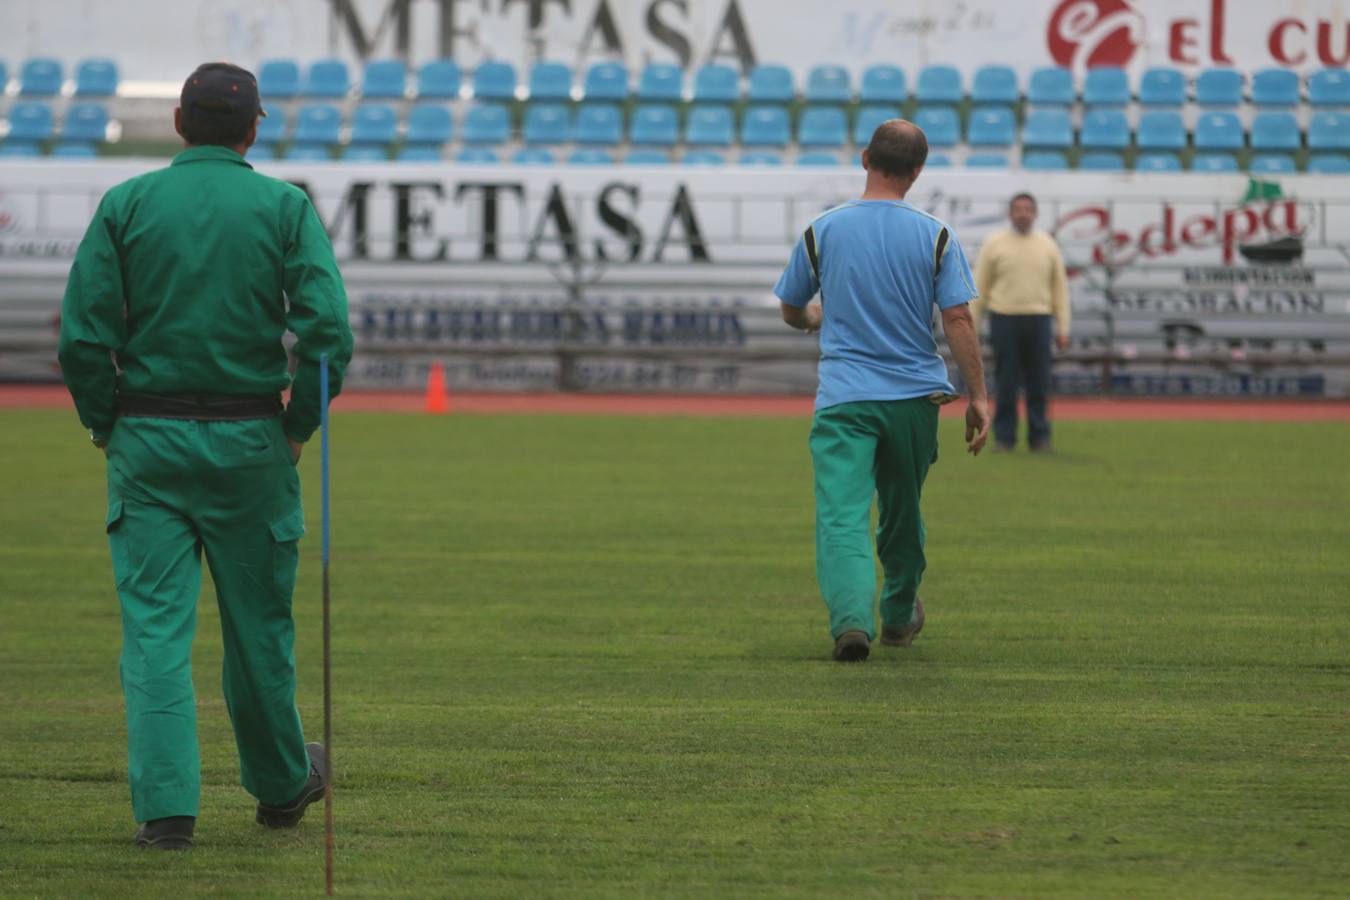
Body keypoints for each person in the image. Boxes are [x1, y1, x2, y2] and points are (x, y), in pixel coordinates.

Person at [57, 62, 354, 850]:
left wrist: (102, 423)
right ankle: (282, 786)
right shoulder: (283, 205)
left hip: (147, 440)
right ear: (254, 128)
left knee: (154, 634)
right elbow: (328, 332)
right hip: (251, 441)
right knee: (259, 628)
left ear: (180, 125)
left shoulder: (126, 204)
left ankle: (167, 812)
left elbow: (84, 336)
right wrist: (300, 426)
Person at [774, 120, 990, 663]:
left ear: (865, 157)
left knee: (842, 515)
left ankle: (851, 622)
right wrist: (979, 396)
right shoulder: (937, 234)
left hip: (845, 398)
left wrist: (811, 319)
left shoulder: (822, 230)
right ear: (918, 172)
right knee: (902, 510)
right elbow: (959, 318)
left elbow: (791, 306)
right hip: (914, 399)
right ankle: (897, 614)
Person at [972, 193, 1070, 452]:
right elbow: (979, 287)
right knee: (1006, 382)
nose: (1023, 214)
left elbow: (1059, 288)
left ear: (1035, 213)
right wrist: (972, 325)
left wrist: (1063, 327)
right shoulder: (994, 244)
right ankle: (1004, 438)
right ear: (1010, 213)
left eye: (1028, 209)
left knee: (1039, 382)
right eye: (1018, 209)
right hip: (1004, 318)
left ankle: (1040, 437)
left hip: (1039, 318)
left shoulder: (1047, 244)